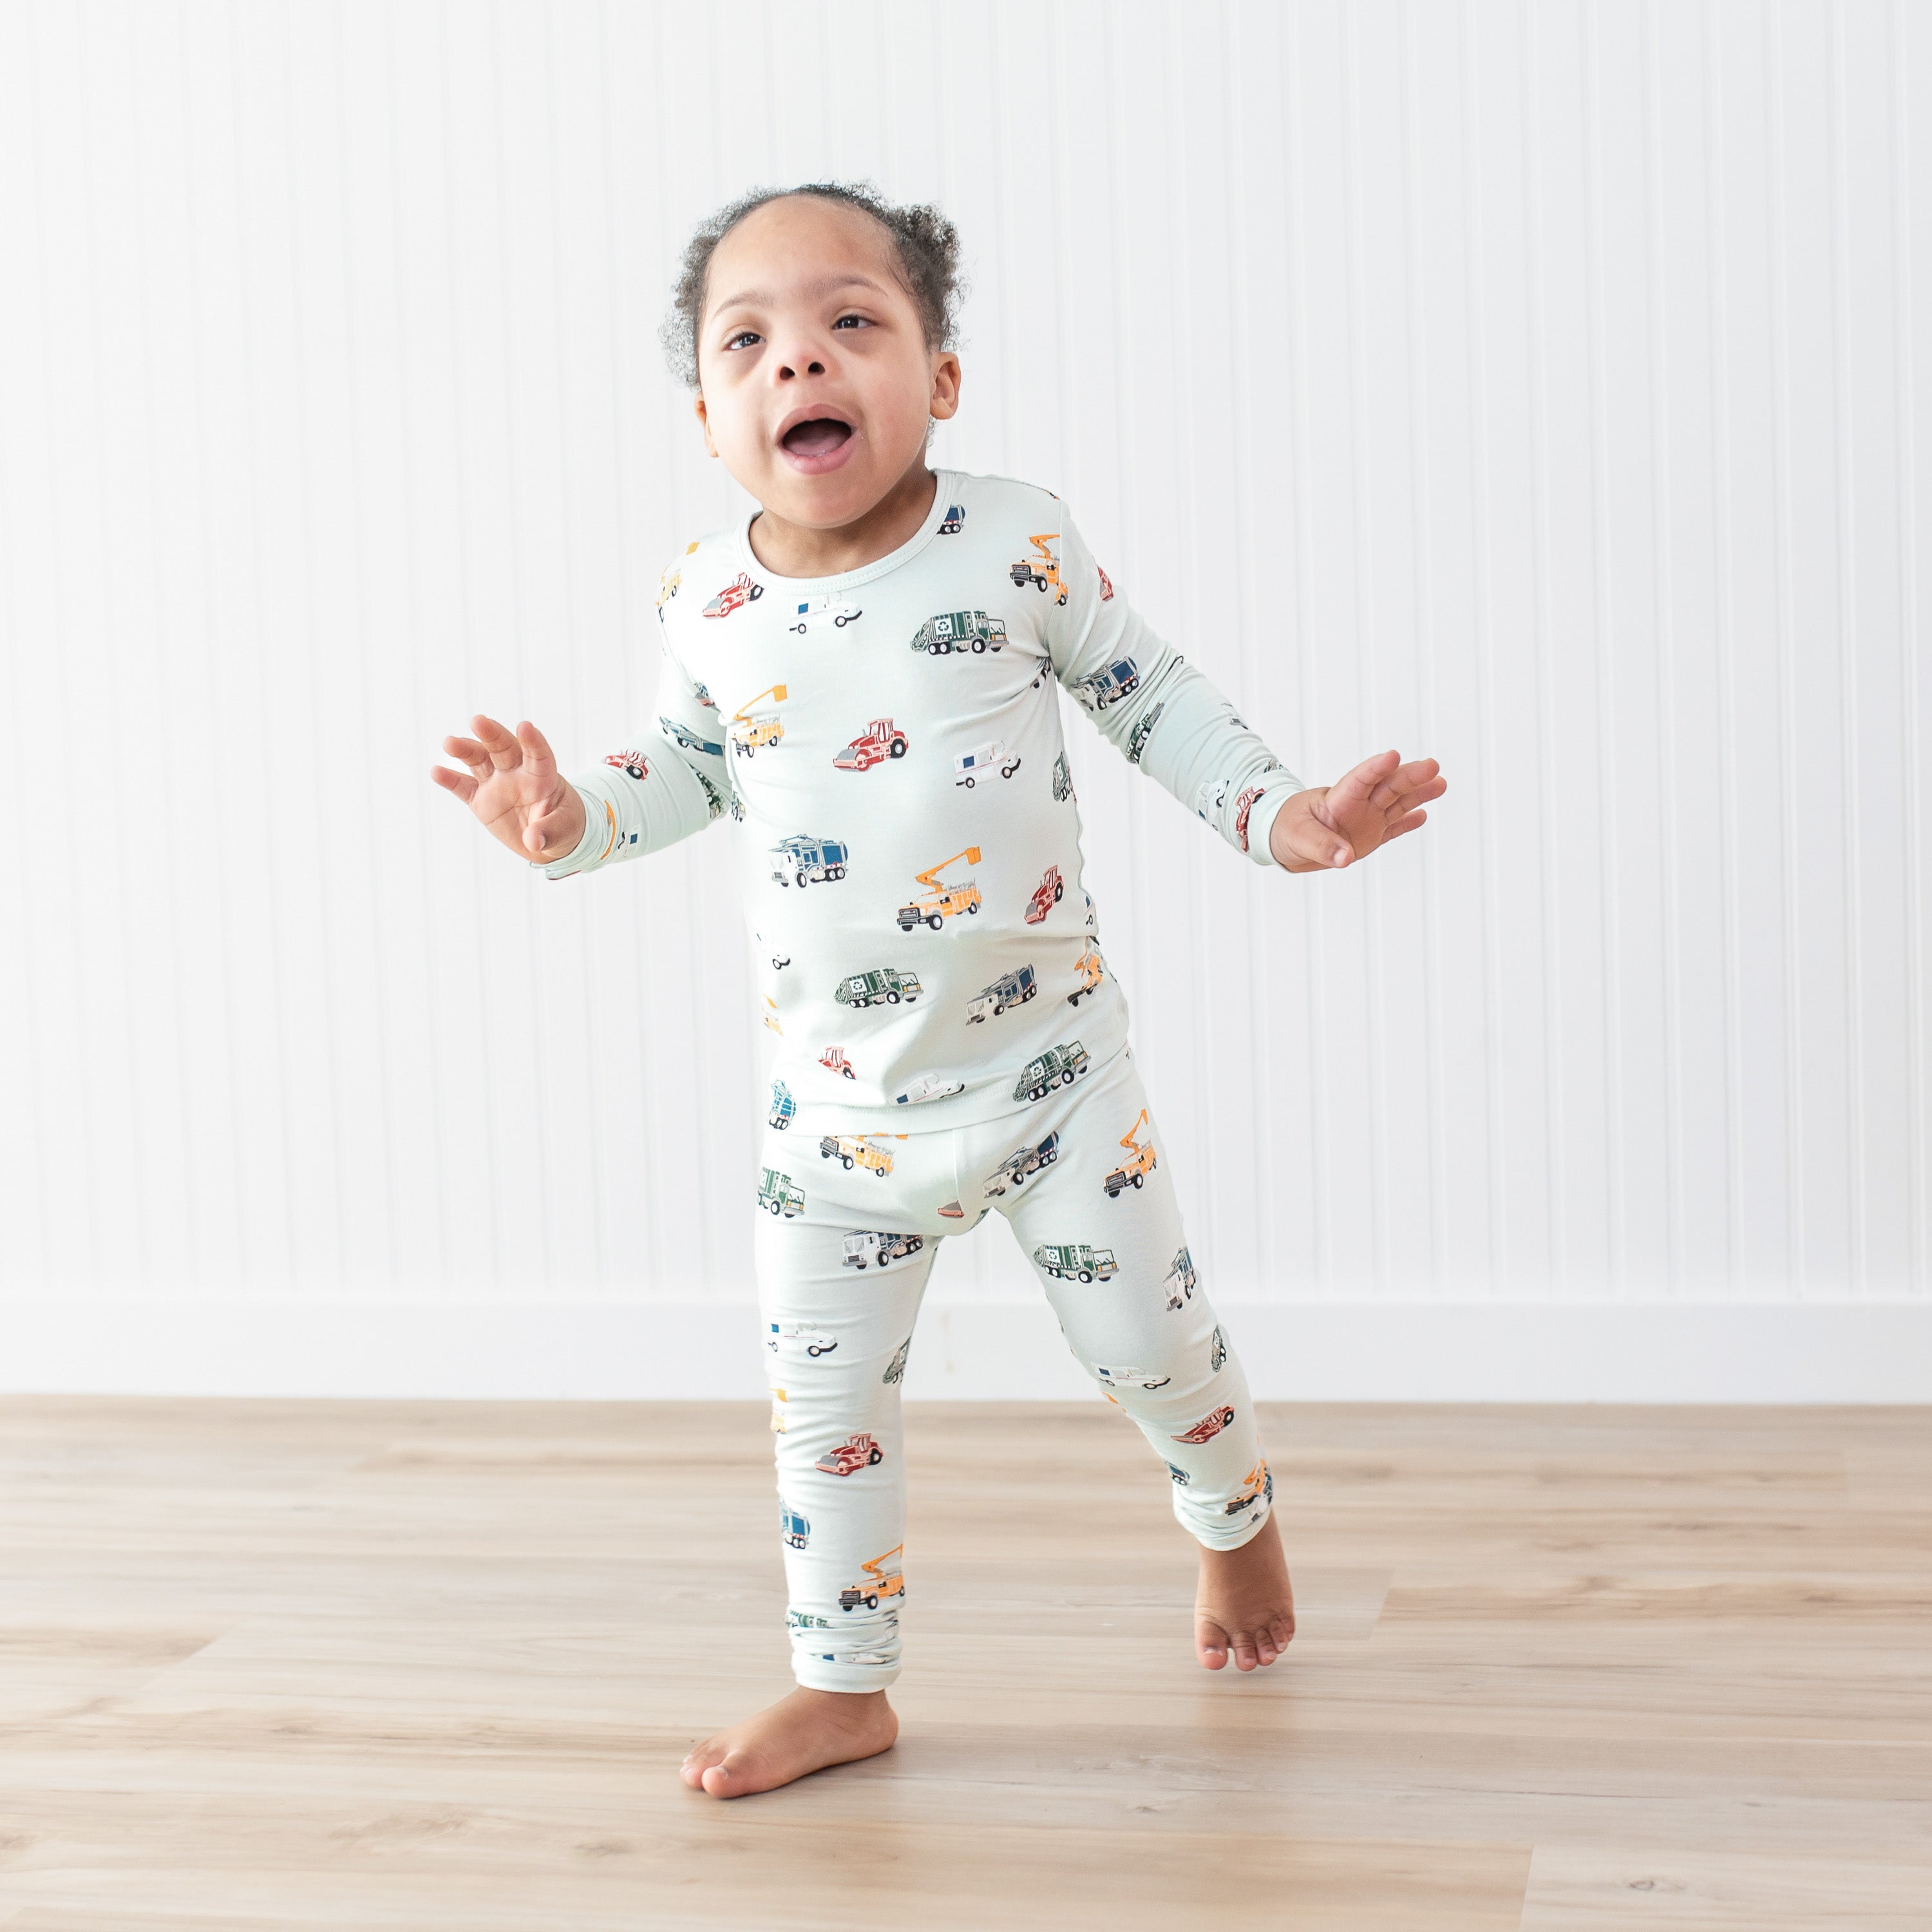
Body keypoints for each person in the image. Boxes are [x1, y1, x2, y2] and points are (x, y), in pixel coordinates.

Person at [430, 182, 1445, 1799]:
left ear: (937, 378)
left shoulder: (1014, 539)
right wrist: (567, 824)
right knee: (820, 1419)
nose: (800, 363)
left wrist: (1284, 815)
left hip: (1054, 1088)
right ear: (710, 417)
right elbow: (688, 770)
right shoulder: (706, 599)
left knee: (1154, 1347)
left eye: (852, 322)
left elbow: (1151, 694)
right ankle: (846, 1686)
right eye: (750, 342)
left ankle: (1233, 1511)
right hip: (831, 1122)